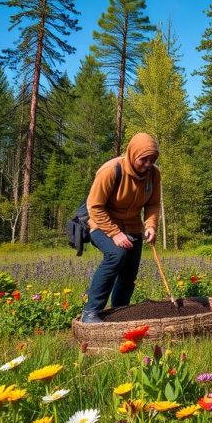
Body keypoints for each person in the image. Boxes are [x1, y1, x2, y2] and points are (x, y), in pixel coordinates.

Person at [80, 132, 162, 323]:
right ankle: (91, 312)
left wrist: (150, 226)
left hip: (133, 225)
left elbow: (153, 204)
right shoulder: (111, 170)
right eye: (144, 159)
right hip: (100, 223)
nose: (148, 164)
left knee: (129, 271)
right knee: (117, 255)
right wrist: (115, 233)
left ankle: (120, 312)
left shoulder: (154, 174)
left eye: (153, 159)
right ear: (133, 154)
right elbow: (95, 206)